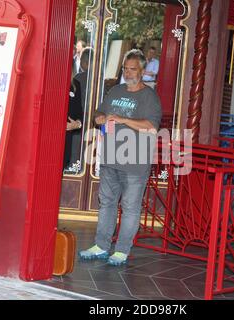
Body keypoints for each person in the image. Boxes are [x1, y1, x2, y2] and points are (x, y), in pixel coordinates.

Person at [79, 49, 162, 266]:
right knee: (106, 202)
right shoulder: (115, 91)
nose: (127, 72)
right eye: (125, 68)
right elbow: (98, 115)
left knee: (130, 207)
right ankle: (101, 245)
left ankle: (122, 250)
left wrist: (123, 119)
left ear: (143, 71)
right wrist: (101, 118)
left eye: (132, 69)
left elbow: (151, 126)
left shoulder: (149, 97)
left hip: (135, 162)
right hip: (110, 158)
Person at [63, 77, 83, 170]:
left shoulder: (75, 84)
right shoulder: (46, 79)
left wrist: (77, 124)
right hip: (44, 137)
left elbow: (79, 112)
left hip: (65, 139)